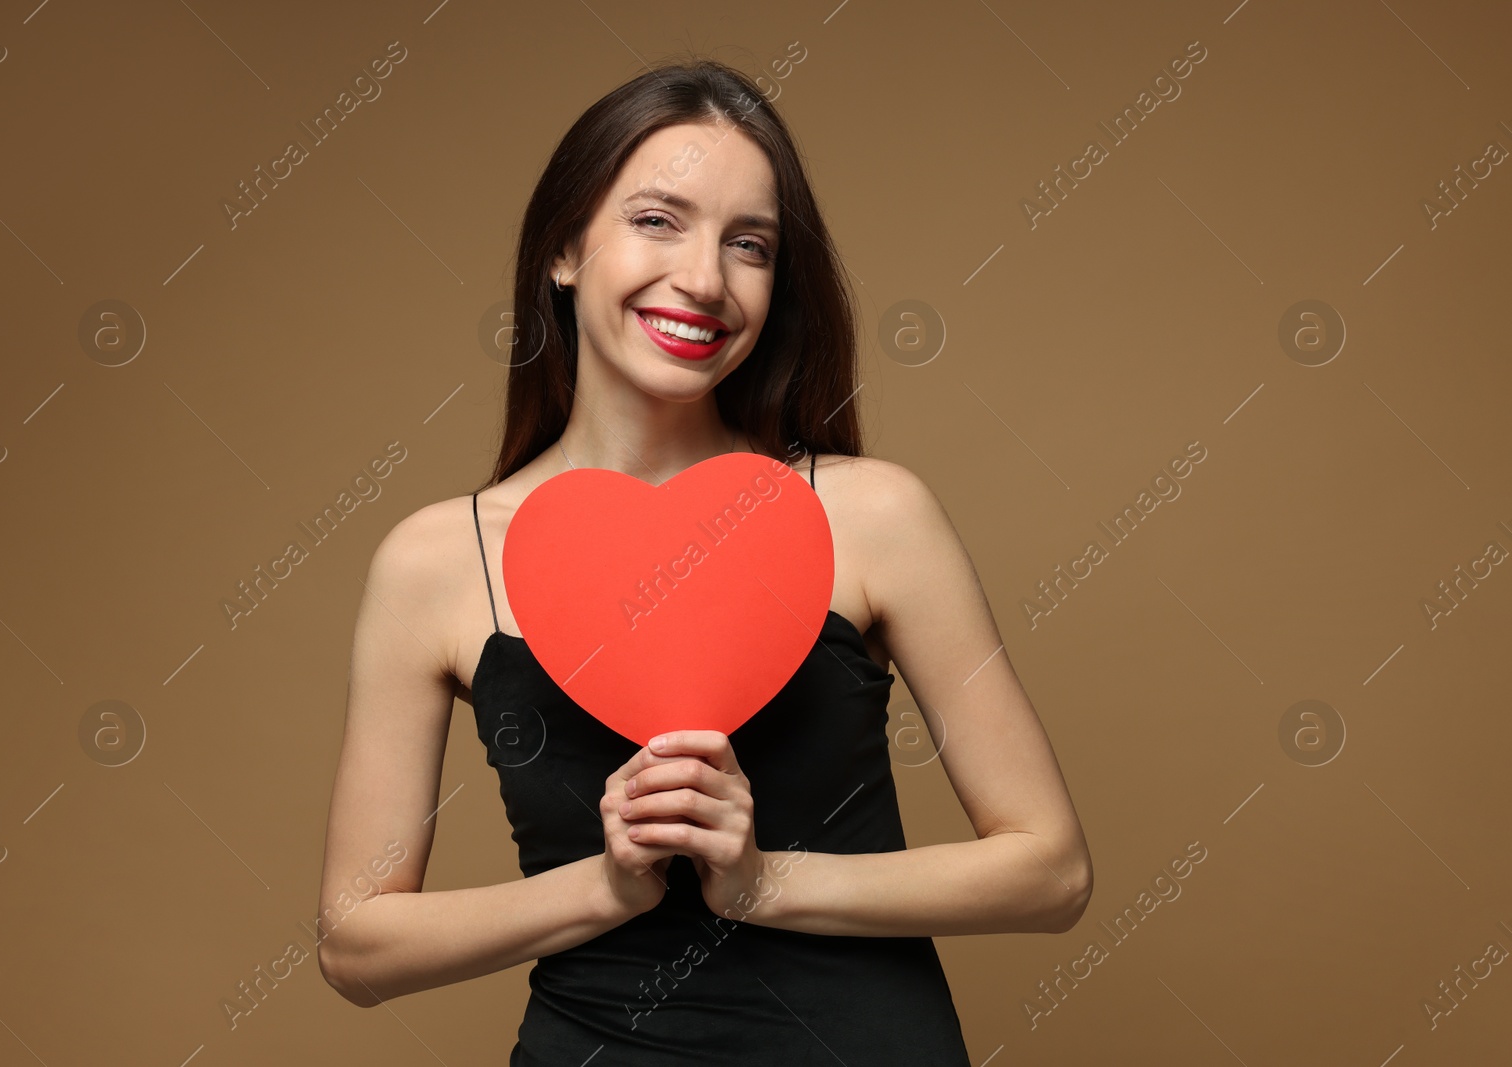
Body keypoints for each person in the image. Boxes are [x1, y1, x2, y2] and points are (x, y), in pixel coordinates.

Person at [316, 57, 1093, 1064]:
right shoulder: (438, 559)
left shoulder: (870, 514)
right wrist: (607, 883)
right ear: (563, 246)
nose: (703, 279)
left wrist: (762, 878)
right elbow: (355, 941)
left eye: (750, 245)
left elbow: (1052, 871)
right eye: (656, 219)